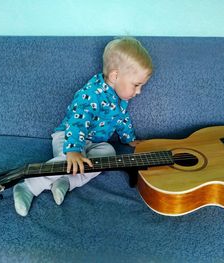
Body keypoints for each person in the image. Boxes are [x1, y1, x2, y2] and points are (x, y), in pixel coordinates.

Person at [13, 37, 153, 216]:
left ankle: (66, 182)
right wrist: (73, 150)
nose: (139, 92)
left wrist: (130, 140)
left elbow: (122, 119)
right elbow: (77, 123)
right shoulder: (91, 94)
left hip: (94, 142)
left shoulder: (121, 98)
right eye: (136, 85)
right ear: (115, 76)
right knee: (68, 160)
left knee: (108, 154)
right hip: (69, 137)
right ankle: (28, 186)